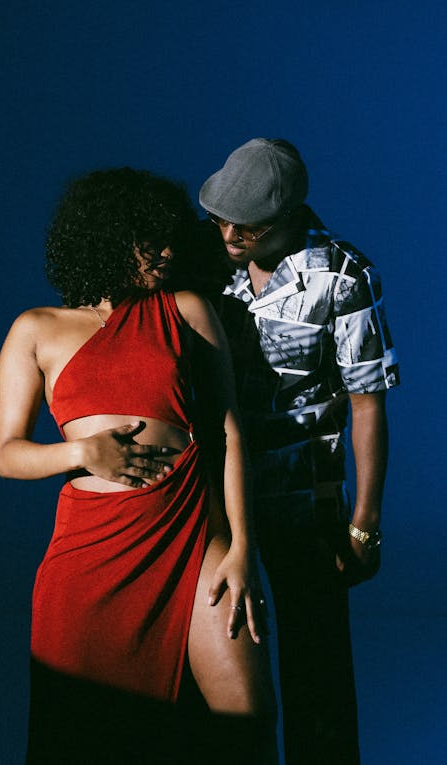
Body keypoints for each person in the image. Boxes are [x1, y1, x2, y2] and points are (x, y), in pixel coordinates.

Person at [0, 167, 277, 764]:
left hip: (193, 537)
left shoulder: (187, 308)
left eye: (171, 235)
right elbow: (7, 454)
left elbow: (228, 431)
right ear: (107, 236)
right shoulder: (36, 329)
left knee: (244, 728)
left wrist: (243, 546)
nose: (168, 251)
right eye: (150, 237)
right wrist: (81, 452)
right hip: (88, 559)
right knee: (83, 741)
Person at [198, 138, 400, 765]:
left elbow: (368, 403)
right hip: (210, 494)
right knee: (218, 663)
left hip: (301, 500)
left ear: (287, 214)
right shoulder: (206, 261)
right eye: (220, 216)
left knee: (318, 679)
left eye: (247, 221)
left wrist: (363, 526)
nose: (229, 232)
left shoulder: (343, 273)